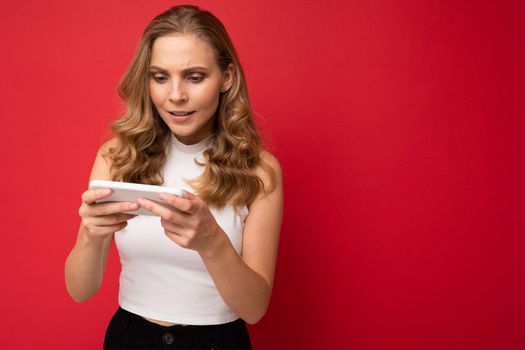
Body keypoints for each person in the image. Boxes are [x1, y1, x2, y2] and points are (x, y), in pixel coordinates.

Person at [64, 4, 283, 349]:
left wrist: (211, 241)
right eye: (160, 77)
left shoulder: (259, 170)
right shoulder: (116, 156)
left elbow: (254, 309)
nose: (176, 95)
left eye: (195, 77)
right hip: (129, 337)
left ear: (226, 77)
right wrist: (91, 236)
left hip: (217, 341)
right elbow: (80, 290)